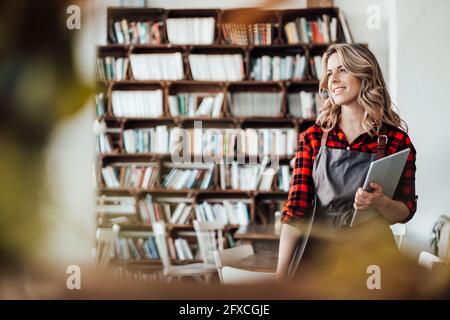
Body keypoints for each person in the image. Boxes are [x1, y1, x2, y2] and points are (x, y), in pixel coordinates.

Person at [276, 44, 418, 287]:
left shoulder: (396, 141)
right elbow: (295, 214)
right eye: (330, 73)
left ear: (364, 74)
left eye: (342, 70)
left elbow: (406, 211)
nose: (333, 80)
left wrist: (381, 203)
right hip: (319, 252)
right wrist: (280, 278)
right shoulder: (312, 138)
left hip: (374, 258)